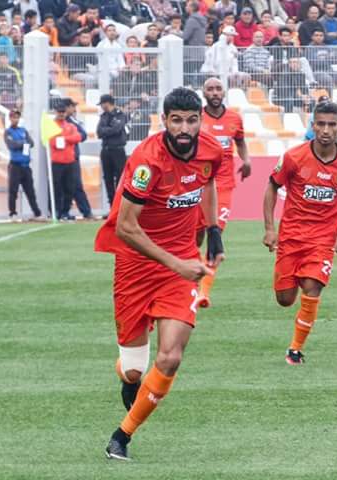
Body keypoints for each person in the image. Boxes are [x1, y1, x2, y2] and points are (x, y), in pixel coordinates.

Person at [96, 87, 225, 461]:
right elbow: (126, 228)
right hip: (135, 266)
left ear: (200, 120)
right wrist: (176, 263)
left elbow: (207, 182)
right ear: (164, 120)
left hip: (179, 264)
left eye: (191, 120)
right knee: (134, 372)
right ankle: (129, 375)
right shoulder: (146, 161)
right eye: (176, 120)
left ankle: (122, 436)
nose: (184, 128)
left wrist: (213, 229)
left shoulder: (211, 151)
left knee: (170, 357)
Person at [262, 101, 337, 365]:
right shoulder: (293, 157)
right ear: (313, 125)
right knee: (285, 299)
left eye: (332, 124)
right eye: (321, 124)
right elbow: (271, 188)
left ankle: (295, 350)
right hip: (291, 237)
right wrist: (270, 229)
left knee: (312, 287)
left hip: (322, 240)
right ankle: (292, 285)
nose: (326, 130)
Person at [196, 77, 252, 307]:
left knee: (215, 234)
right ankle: (190, 280)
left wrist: (246, 160)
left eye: (218, 88)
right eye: (210, 89)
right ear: (204, 93)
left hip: (224, 185)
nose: (215, 92)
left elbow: (241, 142)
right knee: (195, 237)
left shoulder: (234, 118)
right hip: (199, 184)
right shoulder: (196, 118)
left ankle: (203, 292)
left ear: (224, 92)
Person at [4, 109, 43, 221]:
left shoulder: (23, 130)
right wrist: (23, 142)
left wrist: (20, 143)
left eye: (17, 117)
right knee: (13, 191)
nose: (15, 119)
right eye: (13, 117)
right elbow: (11, 145)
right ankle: (12, 213)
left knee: (30, 191)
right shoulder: (8, 132)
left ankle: (37, 213)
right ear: (10, 118)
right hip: (15, 166)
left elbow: (31, 143)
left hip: (25, 166)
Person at [49, 99, 83, 221]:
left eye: (63, 112)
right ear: (55, 112)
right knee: (57, 188)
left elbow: (78, 137)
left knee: (70, 188)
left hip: (70, 161)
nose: (61, 114)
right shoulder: (52, 126)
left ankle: (65, 211)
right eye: (59, 112)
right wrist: (68, 138)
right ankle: (57, 211)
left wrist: (64, 139)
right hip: (57, 162)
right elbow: (53, 142)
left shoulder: (70, 125)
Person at [64, 98, 95, 219]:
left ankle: (85, 211)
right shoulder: (60, 122)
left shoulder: (73, 121)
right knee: (65, 186)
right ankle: (62, 212)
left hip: (72, 156)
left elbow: (83, 135)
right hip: (62, 158)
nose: (74, 109)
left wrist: (71, 137)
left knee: (76, 184)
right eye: (72, 106)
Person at [97, 94, 129, 207]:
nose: (102, 106)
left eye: (102, 104)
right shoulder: (103, 116)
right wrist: (109, 130)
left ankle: (120, 205)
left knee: (120, 178)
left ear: (107, 103)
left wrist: (106, 130)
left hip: (118, 151)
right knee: (108, 179)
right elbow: (99, 132)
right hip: (106, 151)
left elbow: (117, 129)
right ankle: (112, 205)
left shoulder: (120, 115)